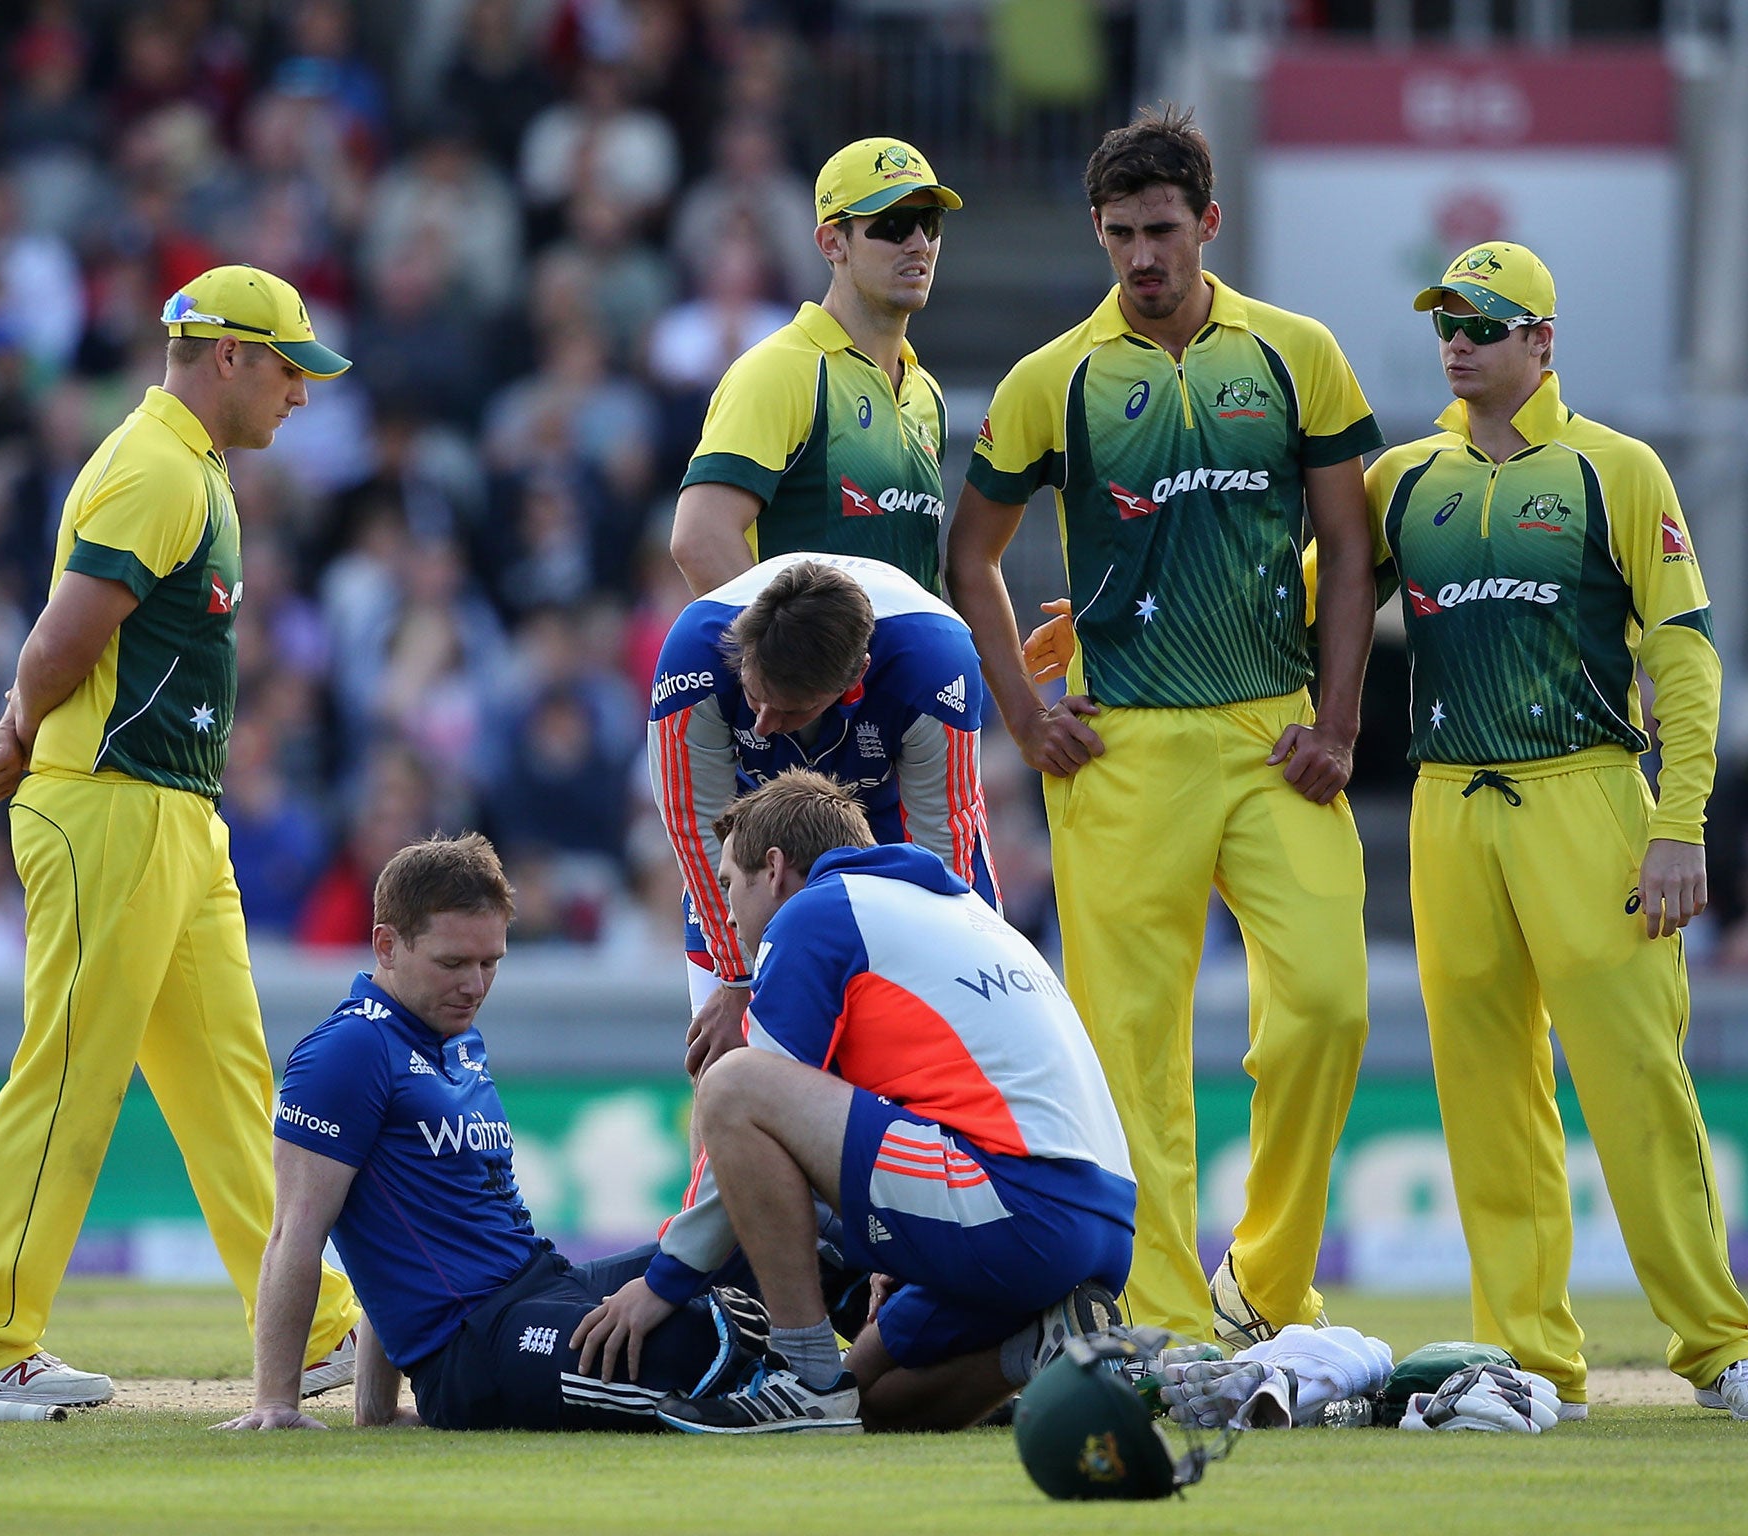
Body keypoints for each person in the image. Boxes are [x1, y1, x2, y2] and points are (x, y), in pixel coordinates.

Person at [943, 107, 1380, 1348]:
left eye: (1163, 232)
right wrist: (1023, 717)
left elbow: (1348, 547)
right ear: (1096, 230)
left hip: (1270, 741)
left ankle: (1266, 1277)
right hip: (1120, 747)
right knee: (1131, 1059)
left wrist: (1337, 720)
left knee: (1330, 1008)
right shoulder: (1053, 378)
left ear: (1208, 225)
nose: (1142, 257)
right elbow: (970, 554)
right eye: (1122, 234)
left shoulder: (1294, 354)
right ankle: (1167, 1328)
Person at [0, 266, 364, 1406]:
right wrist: (20, 731)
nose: (300, 396)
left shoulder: (187, 467)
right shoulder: (157, 467)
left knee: (227, 1084)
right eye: (287, 368)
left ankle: (314, 1331)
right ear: (227, 355)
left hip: (170, 810)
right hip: (109, 802)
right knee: (71, 1076)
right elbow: (60, 638)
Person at [1367, 241, 1748, 1421]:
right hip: (1449, 803)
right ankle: (1530, 1364)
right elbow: (1315, 616)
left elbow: (1680, 654)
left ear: (1542, 341)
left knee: (1635, 1079)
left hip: (1586, 794)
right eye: (1446, 316)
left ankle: (1716, 1347)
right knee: (1485, 1094)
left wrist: (1676, 821)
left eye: (1485, 319)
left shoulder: (1615, 470)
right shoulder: (1400, 481)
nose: (1458, 337)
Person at [574, 770, 1136, 1434]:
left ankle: (801, 1372)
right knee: (870, 1397)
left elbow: (751, 1105)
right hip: (1103, 1227)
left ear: (775, 869)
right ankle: (1042, 1345)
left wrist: (663, 1282)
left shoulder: (817, 911)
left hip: (1011, 1201)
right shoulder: (962, 913)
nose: (723, 910)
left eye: (728, 883)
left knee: (731, 1082)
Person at [215, 833, 770, 1433]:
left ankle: (851, 1356)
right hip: (478, 1348)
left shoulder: (453, 1037)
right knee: (707, 1344)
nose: (475, 986)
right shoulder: (347, 1051)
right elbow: (295, 1233)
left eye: (490, 963)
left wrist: (375, 1409)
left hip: (545, 1287)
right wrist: (276, 1404)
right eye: (453, 963)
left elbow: (401, 1231)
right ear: (387, 945)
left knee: (756, 1243)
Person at [649, 553, 996, 1076]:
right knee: (725, 1064)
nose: (764, 727)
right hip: (754, 837)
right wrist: (737, 981)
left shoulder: (935, 663)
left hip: (886, 823)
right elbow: (693, 829)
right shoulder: (693, 654)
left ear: (856, 677)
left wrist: (918, 980)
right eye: (753, 697)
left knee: (933, 1040)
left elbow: (941, 853)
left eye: (790, 711)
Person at [668, 137, 960, 596]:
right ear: (832, 242)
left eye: (930, 222)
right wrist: (794, 663)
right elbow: (700, 538)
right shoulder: (781, 370)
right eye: (894, 225)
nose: (919, 244)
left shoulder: (927, 394)